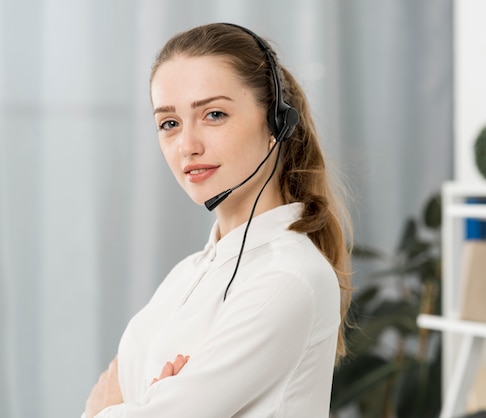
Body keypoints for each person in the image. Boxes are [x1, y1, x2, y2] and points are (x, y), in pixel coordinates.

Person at [82, 22, 353, 418]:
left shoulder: (287, 277)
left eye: (213, 114)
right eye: (169, 123)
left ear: (276, 124)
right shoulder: (188, 274)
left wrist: (100, 411)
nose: (187, 146)